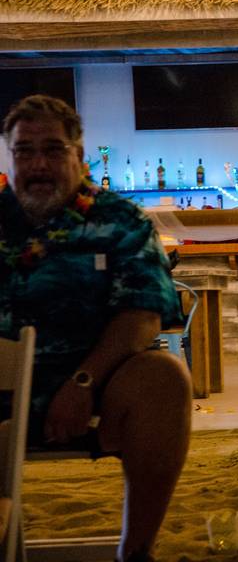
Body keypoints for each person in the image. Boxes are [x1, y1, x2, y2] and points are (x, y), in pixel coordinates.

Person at [0, 95, 191, 562]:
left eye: (53, 150)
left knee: (165, 379)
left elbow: (144, 314)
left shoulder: (121, 222)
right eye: (25, 151)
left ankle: (136, 550)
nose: (39, 164)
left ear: (80, 158)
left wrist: (83, 382)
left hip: (93, 389)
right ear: (10, 157)